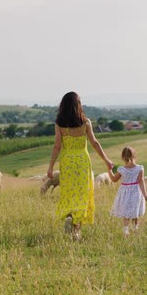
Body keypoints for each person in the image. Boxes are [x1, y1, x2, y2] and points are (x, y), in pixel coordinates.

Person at [47, 92, 113, 240]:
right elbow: (95, 143)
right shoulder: (86, 122)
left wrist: (51, 167)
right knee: (83, 195)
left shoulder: (59, 124)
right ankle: (76, 230)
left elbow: (57, 146)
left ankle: (69, 216)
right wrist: (107, 160)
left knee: (69, 194)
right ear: (78, 105)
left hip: (67, 162)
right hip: (83, 162)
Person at [107, 146, 147, 237]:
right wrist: (145, 194)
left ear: (122, 157)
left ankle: (126, 232)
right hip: (136, 192)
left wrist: (109, 170)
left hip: (124, 192)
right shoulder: (140, 168)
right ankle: (135, 230)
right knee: (135, 212)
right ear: (134, 156)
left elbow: (114, 179)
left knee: (126, 213)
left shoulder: (121, 169)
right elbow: (141, 181)